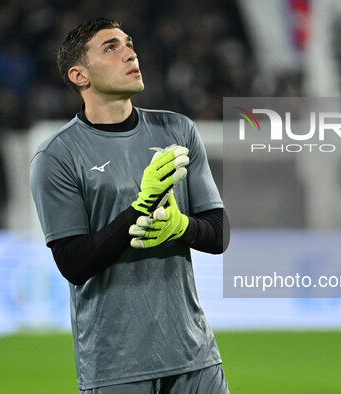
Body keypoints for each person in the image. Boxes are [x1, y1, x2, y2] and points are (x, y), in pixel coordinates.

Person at [30, 17, 229, 393]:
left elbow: (218, 235)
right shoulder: (57, 155)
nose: (130, 53)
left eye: (129, 43)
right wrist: (143, 207)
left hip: (195, 357)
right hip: (116, 367)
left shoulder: (178, 130)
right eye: (111, 47)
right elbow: (73, 262)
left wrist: (180, 227)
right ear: (79, 75)